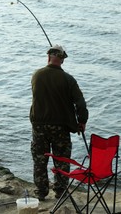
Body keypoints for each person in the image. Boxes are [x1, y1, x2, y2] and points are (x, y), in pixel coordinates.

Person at [29, 44, 88, 201]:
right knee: (61, 160)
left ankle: (41, 192)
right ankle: (61, 192)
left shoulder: (36, 75)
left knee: (40, 159)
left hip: (39, 126)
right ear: (62, 60)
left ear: (48, 57)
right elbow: (80, 104)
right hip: (61, 127)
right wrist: (82, 121)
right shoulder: (68, 79)